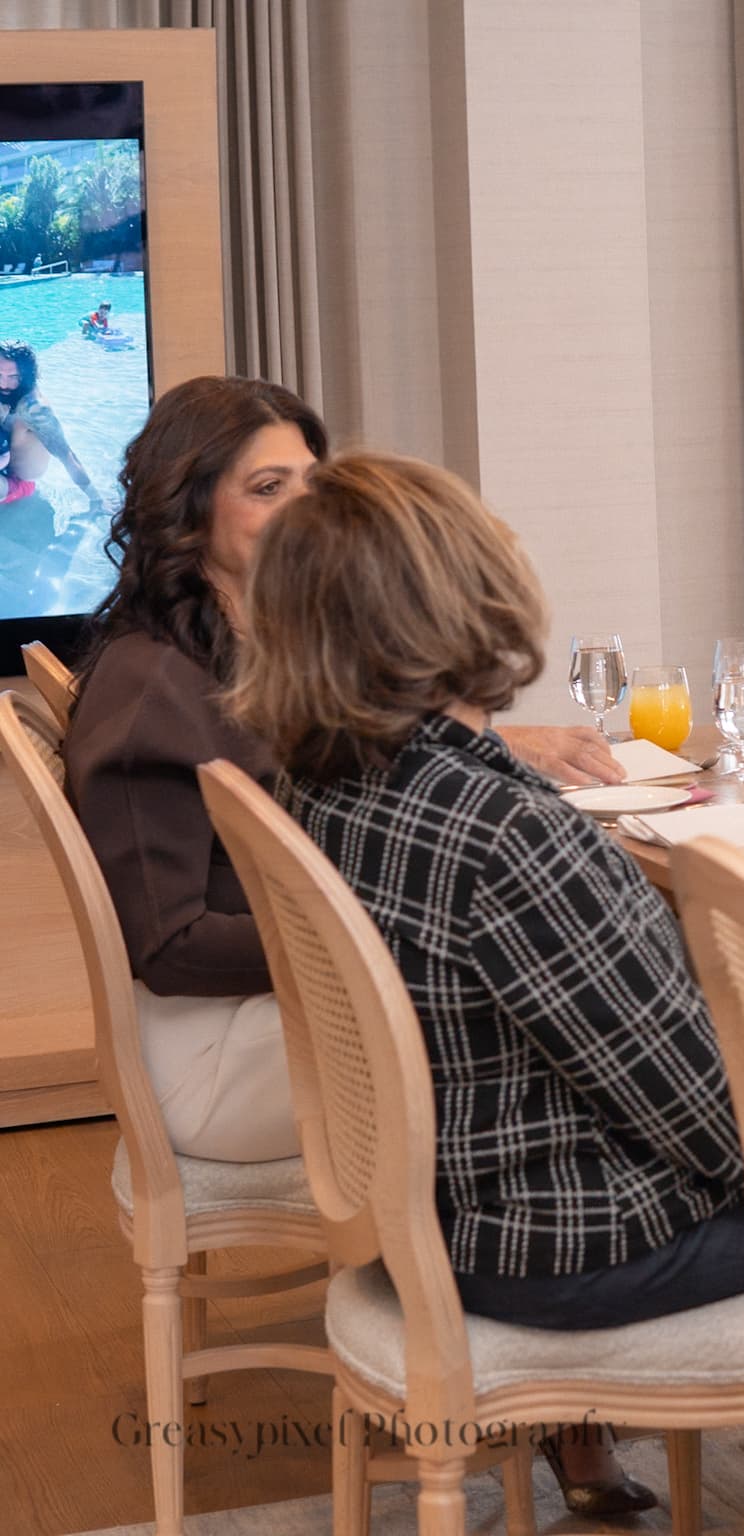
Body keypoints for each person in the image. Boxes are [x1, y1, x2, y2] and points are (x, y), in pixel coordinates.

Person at [229, 450, 744, 1516]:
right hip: (561, 1245)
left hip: (434, 1214)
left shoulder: (325, 782)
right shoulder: (507, 837)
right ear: (469, 600)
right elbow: (708, 1120)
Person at [64, 377, 622, 1164]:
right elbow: (171, 944)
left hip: (277, 1005)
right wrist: (386, 935)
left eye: (311, 484)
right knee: (540, 1015)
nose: (305, 512)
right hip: (217, 1059)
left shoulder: (246, 645)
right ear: (187, 513)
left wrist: (500, 743)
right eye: (268, 488)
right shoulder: (155, 691)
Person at [1, 340, 105, 513]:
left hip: (18, 483)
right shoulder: (5, 393)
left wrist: (96, 499)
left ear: (26, 376)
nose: (3, 384)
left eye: (13, 377)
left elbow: (66, 454)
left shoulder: (34, 408)